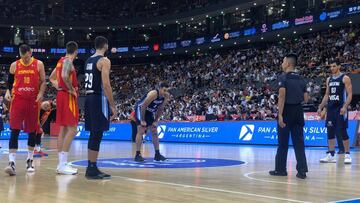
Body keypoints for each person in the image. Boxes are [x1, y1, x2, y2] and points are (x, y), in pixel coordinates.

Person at [4, 44, 46, 176]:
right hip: (18, 100)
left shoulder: (39, 64)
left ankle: (30, 160)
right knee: (14, 130)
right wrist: (6, 91)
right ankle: (12, 163)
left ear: (30, 52)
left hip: (33, 101)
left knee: (32, 131)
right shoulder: (14, 65)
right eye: (23, 57)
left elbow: (44, 81)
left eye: (27, 57)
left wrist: (41, 93)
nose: (25, 60)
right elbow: (9, 82)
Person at [269, 53, 308, 179]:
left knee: (283, 143)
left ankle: (280, 170)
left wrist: (280, 114)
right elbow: (306, 98)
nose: (281, 63)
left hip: (286, 111)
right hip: (298, 111)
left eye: (283, 61)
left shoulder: (283, 77)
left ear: (287, 63)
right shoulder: (301, 78)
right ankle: (302, 171)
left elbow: (282, 95)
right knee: (299, 142)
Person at [84, 36, 116, 179]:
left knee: (93, 134)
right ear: (106, 46)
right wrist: (112, 105)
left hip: (88, 98)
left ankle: (91, 166)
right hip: (98, 98)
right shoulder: (104, 61)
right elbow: (106, 84)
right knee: (97, 134)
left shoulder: (88, 60)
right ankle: (91, 168)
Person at [49, 41, 79, 175]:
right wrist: (72, 89)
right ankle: (62, 164)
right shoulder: (68, 61)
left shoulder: (60, 61)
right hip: (67, 97)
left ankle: (61, 164)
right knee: (72, 129)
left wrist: (59, 87)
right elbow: (64, 76)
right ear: (76, 51)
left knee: (63, 129)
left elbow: (51, 78)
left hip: (61, 94)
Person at [318, 60, 353, 164]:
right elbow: (326, 95)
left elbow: (350, 94)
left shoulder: (345, 78)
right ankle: (331, 154)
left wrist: (345, 106)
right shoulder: (329, 79)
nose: (332, 68)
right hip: (331, 108)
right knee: (330, 131)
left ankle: (347, 154)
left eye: (334, 66)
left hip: (340, 108)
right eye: (330, 66)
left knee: (342, 131)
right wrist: (321, 106)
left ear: (339, 66)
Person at [134, 83, 170, 162]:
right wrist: (142, 120)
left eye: (167, 90)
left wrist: (156, 120)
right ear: (159, 88)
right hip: (141, 109)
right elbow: (143, 106)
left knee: (154, 130)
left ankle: (157, 154)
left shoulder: (166, 96)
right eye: (164, 90)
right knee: (141, 129)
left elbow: (160, 108)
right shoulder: (153, 94)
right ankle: (137, 154)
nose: (165, 92)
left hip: (150, 111)